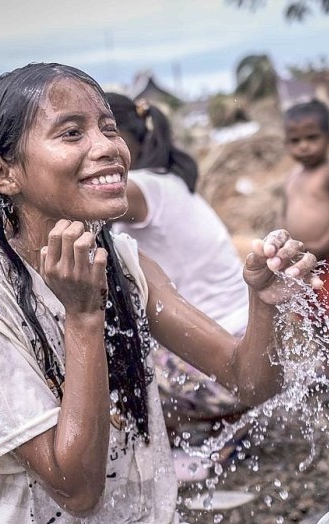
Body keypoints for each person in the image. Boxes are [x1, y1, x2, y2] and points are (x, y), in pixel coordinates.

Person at [0, 62, 320, 524]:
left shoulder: (126, 264)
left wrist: (265, 304)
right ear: (3, 173)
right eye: (72, 133)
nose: (108, 146)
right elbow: (77, 490)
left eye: (108, 128)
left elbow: (247, 380)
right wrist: (84, 317)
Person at [105, 92, 251, 480]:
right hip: (245, 350)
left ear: (128, 139)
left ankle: (165, 443)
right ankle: (217, 426)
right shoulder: (168, 184)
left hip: (227, 370)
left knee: (97, 343)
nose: (94, 149)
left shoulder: (142, 188)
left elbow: (89, 205)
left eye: (105, 134)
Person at [281, 99, 329, 404]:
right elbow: (286, 214)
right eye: (295, 141)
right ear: (286, 143)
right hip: (304, 266)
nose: (303, 147)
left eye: (312, 138)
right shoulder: (292, 178)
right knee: (317, 321)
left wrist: (325, 243)